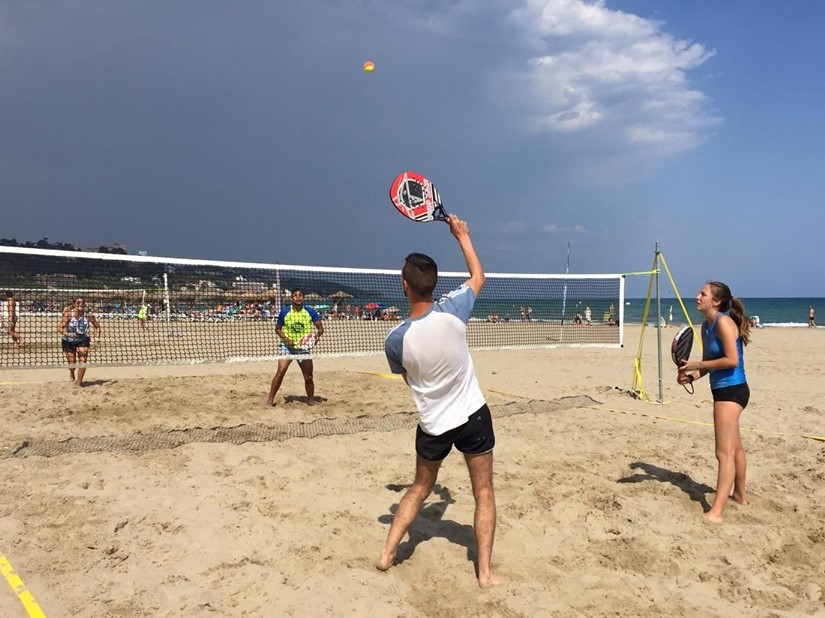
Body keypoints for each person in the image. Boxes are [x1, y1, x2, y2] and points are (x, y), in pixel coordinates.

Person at [377, 214, 501, 588]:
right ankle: (484, 573)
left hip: (433, 424)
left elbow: (408, 379)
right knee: (484, 492)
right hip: (472, 416)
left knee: (419, 488)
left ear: (405, 286)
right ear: (433, 285)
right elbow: (479, 276)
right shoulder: (453, 310)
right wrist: (462, 235)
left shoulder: (395, 340)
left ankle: (386, 555)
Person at [677, 281, 751, 524]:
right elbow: (708, 365)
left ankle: (717, 512)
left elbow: (730, 360)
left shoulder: (724, 322)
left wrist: (698, 365)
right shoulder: (706, 326)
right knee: (735, 448)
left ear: (716, 301)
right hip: (721, 390)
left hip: (733, 390)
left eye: (703, 294)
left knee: (724, 453)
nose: (698, 296)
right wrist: (690, 376)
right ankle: (740, 496)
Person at [266, 289, 324, 407]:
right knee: (281, 371)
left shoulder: (310, 311)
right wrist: (287, 340)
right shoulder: (285, 312)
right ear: (292, 298)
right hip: (287, 346)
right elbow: (278, 329)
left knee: (308, 376)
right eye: (295, 296)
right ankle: (270, 400)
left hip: (303, 348)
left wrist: (315, 338)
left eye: (300, 295)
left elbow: (320, 329)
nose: (298, 298)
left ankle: (311, 401)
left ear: (303, 298)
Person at [59, 297, 102, 386]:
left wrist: (97, 338)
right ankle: (72, 372)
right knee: (72, 363)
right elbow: (60, 328)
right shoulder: (68, 314)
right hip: (68, 340)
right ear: (74, 304)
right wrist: (68, 334)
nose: (81, 304)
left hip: (83, 339)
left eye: (82, 302)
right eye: (78, 302)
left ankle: (79, 383)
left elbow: (98, 327)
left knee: (83, 361)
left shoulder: (89, 315)